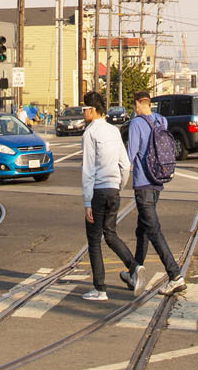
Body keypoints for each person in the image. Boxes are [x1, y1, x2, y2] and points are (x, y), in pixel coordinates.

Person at [124, 91, 185, 294]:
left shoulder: (136, 124)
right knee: (142, 229)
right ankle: (135, 270)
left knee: (153, 230)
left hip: (143, 184)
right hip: (158, 180)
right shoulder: (161, 120)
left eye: (134, 105)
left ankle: (175, 275)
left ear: (137, 103)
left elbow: (130, 155)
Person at [79, 91, 137, 303]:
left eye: (84, 109)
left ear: (92, 110)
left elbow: (88, 170)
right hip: (114, 190)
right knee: (110, 234)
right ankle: (134, 266)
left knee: (94, 240)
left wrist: (87, 202)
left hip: (98, 192)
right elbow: (125, 164)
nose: (83, 113)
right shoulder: (114, 131)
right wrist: (119, 185)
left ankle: (100, 288)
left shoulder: (90, 133)